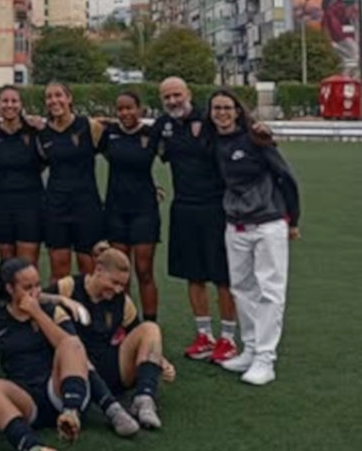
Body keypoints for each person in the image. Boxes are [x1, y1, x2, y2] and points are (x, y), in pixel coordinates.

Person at [208, 89, 301, 386]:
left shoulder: (256, 138)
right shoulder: (213, 141)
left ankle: (265, 358)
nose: (221, 113)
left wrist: (293, 219)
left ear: (237, 111)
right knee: (242, 289)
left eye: (227, 107)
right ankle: (249, 349)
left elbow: (286, 177)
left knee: (269, 291)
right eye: (216, 108)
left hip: (267, 223)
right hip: (235, 225)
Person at [0, 259, 90, 451]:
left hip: (57, 389)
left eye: (37, 285)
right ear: (10, 288)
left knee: (72, 343)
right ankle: (33, 448)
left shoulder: (51, 311)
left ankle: (71, 414)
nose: (35, 292)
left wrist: (37, 314)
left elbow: (71, 348)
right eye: (27, 287)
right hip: (25, 398)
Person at [46, 245, 175, 433]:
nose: (117, 289)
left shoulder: (123, 301)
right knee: (75, 349)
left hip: (110, 365)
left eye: (122, 285)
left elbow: (139, 336)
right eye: (114, 282)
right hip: (76, 368)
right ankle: (110, 408)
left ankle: (144, 399)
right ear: (98, 270)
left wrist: (160, 361)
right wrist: (61, 300)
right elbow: (35, 298)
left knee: (150, 328)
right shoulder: (70, 286)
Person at [155, 77, 239, 363]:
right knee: (193, 275)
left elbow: (239, 133)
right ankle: (204, 335)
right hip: (183, 208)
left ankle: (228, 338)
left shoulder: (209, 119)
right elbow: (140, 144)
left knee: (222, 276)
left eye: (177, 95)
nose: (173, 101)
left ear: (188, 93)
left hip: (217, 208)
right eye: (167, 97)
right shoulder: (163, 125)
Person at [100, 91, 161, 321]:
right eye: (120, 109)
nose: (125, 113)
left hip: (144, 211)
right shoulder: (109, 133)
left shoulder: (151, 134)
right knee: (120, 271)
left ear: (140, 109)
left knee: (144, 271)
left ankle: (150, 323)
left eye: (129, 108)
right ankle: (124, 322)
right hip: (115, 210)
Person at [38, 81, 105, 281]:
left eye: (58, 95)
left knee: (89, 269)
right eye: (49, 97)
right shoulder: (42, 134)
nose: (54, 100)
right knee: (59, 270)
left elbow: (119, 156)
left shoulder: (90, 126)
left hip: (86, 205)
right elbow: (36, 165)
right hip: (56, 206)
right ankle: (61, 303)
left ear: (69, 98)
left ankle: (89, 303)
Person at [0, 85, 45, 264]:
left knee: (27, 265)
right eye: (5, 101)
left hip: (30, 204)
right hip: (1, 204)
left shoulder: (34, 131)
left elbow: (45, 161)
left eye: (14, 101)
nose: (9, 105)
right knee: (8, 265)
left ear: (21, 104)